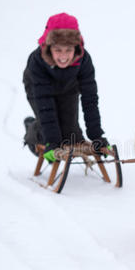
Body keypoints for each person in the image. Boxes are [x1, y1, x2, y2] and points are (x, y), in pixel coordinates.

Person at [23, 13, 109, 162]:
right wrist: (52, 142)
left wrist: (97, 136)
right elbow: (46, 105)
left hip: (68, 86)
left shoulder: (84, 61)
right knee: (52, 133)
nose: (63, 56)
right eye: (58, 50)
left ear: (76, 47)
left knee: (71, 135)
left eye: (68, 50)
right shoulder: (37, 62)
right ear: (49, 47)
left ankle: (58, 134)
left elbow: (90, 100)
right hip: (38, 87)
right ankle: (31, 129)